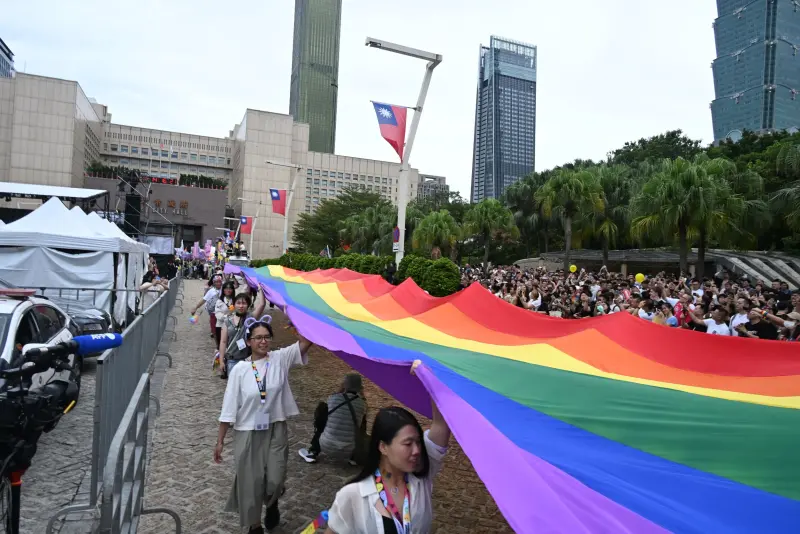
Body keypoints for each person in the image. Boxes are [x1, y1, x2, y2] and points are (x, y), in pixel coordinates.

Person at [325, 360, 451, 534]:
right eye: (407, 444)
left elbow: (441, 425)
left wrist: (434, 380)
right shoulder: (352, 495)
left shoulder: (421, 474)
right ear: (383, 447)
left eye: (418, 442)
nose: (416, 450)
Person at [215, 318, 314, 533]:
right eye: (258, 337)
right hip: (247, 431)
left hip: (276, 427)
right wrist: (220, 441)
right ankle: (255, 526)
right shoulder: (240, 370)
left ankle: (272, 501)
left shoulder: (280, 358)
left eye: (267, 337)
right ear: (249, 342)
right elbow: (229, 405)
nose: (263, 341)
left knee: (275, 479)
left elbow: (307, 342)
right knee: (251, 482)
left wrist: (296, 321)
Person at [298, 373, 367, 464]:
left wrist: (340, 389)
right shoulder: (362, 404)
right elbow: (361, 428)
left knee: (323, 416)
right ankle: (354, 458)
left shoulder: (333, 398)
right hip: (349, 450)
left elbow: (322, 421)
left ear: (344, 384)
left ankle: (313, 452)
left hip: (326, 445)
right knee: (360, 425)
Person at [219, 291, 268, 378]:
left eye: (244, 303)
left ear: (248, 305)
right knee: (234, 388)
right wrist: (221, 361)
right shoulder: (227, 321)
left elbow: (262, 304)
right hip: (232, 360)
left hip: (248, 360)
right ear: (234, 305)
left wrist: (260, 289)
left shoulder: (250, 318)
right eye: (238, 303)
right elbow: (223, 342)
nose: (241, 306)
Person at [214, 281, 237, 349]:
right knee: (221, 345)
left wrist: (228, 314)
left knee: (231, 345)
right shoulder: (219, 301)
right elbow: (218, 316)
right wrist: (228, 315)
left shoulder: (234, 301)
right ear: (223, 290)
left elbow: (236, 313)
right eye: (226, 288)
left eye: (230, 288)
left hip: (232, 327)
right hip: (220, 326)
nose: (228, 290)